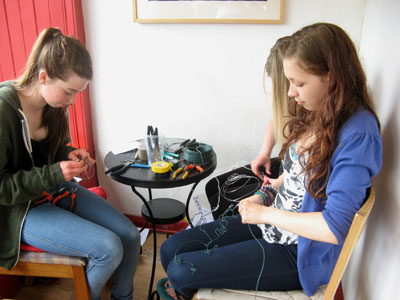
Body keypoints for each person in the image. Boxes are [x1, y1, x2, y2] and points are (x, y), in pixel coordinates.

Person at [158, 22, 382, 300]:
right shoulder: (320, 111)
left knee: (181, 270)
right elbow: (298, 177)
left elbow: (334, 226)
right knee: (170, 250)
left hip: (297, 252)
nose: (290, 92)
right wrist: (265, 194)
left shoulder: (358, 134)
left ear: (332, 77)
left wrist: (264, 214)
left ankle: (185, 291)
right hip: (275, 225)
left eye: (298, 83)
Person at [0, 28, 141, 300]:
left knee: (130, 236)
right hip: (20, 210)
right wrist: (54, 172)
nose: (73, 101)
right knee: (109, 248)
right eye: (69, 92)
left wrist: (69, 153)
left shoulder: (55, 105)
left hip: (56, 190)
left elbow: (51, 151)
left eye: (78, 93)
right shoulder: (4, 109)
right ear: (44, 77)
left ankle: (123, 298)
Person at [251, 36, 291, 182]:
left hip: (288, 183)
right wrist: (264, 153)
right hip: (285, 175)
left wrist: (272, 188)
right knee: (213, 187)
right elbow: (278, 118)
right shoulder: (293, 103)